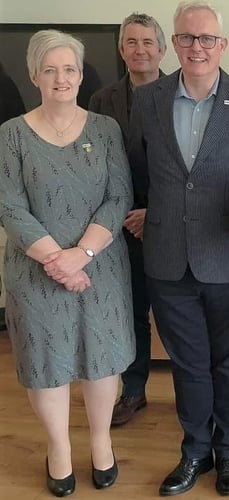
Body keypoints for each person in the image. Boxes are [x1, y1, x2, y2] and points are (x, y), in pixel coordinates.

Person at [127, 1, 229, 496]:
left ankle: (228, 452)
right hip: (167, 258)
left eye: (206, 38)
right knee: (188, 365)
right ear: (175, 44)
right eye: (187, 38)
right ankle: (195, 451)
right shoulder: (147, 100)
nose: (197, 47)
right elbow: (140, 172)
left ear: (222, 45)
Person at [0, 29, 134, 496]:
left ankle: (101, 442)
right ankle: (57, 447)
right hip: (34, 272)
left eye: (70, 69)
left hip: (100, 267)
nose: (62, 78)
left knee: (102, 361)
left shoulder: (105, 128)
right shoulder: (11, 134)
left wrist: (82, 255)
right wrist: (57, 260)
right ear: (35, 75)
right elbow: (10, 206)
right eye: (51, 69)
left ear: (81, 75)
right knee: (46, 362)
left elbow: (119, 198)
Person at [88, 11, 166, 427]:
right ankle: (134, 390)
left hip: (170, 222)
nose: (139, 50)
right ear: (122, 49)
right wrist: (120, 214)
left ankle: (192, 393)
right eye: (131, 43)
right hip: (117, 227)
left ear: (162, 49)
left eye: (147, 42)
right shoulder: (101, 100)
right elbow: (94, 164)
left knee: (173, 312)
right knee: (131, 311)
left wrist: (153, 211)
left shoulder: (181, 93)